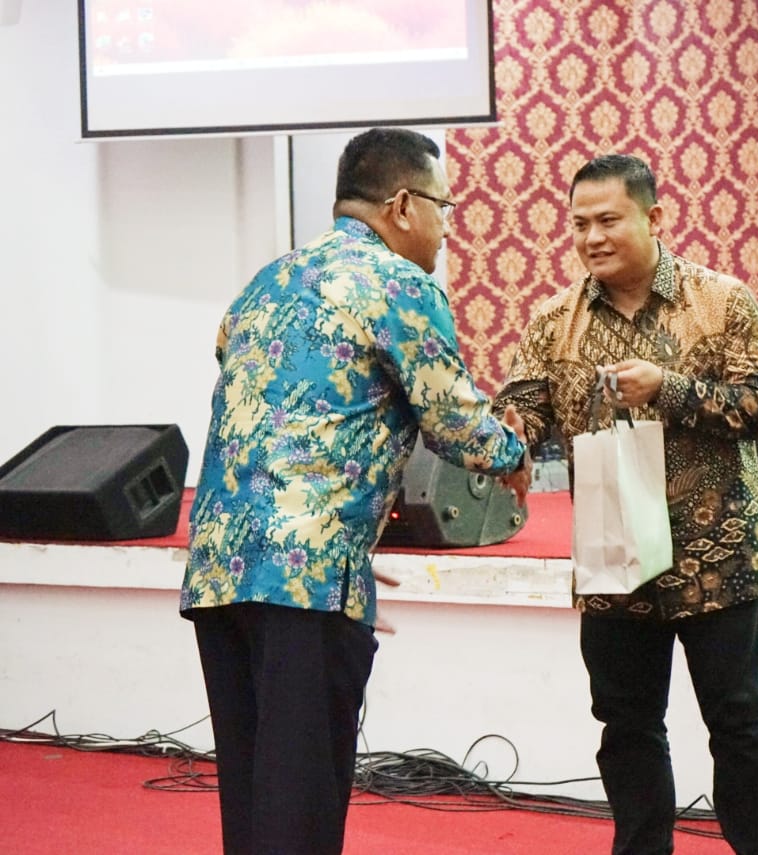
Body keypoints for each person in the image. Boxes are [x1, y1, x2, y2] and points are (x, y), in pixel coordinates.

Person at [180, 127, 528, 855]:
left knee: (253, 795)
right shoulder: (399, 285)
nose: (445, 227)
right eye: (442, 207)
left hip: (217, 570)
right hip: (306, 580)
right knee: (300, 808)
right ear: (402, 205)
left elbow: (272, 393)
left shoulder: (266, 281)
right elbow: (455, 423)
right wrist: (515, 451)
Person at [494, 153, 758, 855]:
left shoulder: (721, 301)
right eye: (579, 224)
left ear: (654, 217)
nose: (592, 237)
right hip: (614, 557)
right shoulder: (553, 321)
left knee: (741, 727)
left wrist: (669, 387)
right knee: (626, 728)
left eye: (608, 220)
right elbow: (522, 410)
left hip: (717, 560)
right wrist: (508, 443)